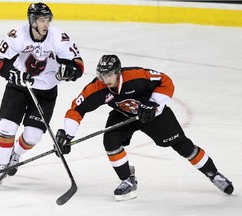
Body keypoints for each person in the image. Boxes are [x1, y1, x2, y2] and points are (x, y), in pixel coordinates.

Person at [55, 54, 234, 201]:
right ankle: (127, 180)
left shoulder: (136, 76)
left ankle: (213, 174)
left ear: (117, 72)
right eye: (102, 75)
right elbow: (77, 109)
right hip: (124, 115)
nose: (105, 79)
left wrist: (154, 103)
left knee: (183, 146)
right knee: (110, 140)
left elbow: (166, 80)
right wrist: (67, 134)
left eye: (109, 74)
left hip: (152, 114)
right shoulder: (98, 87)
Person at [0, 2, 84, 186]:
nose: (46, 24)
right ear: (32, 21)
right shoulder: (17, 35)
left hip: (46, 92)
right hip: (18, 87)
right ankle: (2, 166)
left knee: (33, 136)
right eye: (42, 20)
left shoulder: (59, 38)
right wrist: (12, 73)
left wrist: (71, 72)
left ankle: (14, 155)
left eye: (48, 19)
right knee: (6, 127)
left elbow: (78, 64)